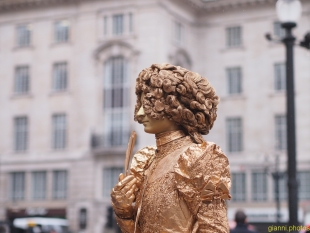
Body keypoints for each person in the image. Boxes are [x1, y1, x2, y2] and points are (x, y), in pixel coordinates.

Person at [111, 63, 231, 233]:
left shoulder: (199, 157)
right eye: (141, 104)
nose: (139, 114)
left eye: (149, 103)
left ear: (174, 107)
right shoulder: (146, 160)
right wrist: (123, 213)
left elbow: (215, 229)